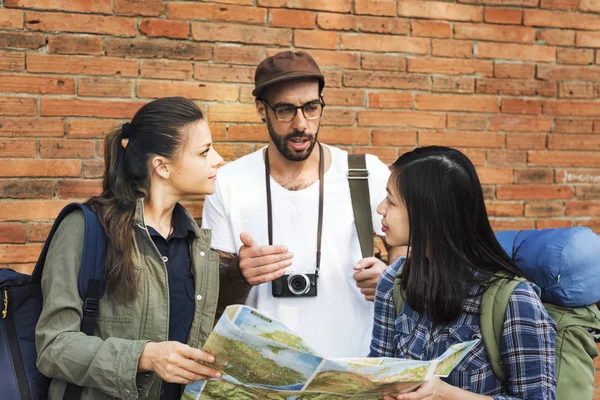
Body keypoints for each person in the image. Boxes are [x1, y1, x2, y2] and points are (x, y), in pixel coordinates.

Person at [35, 97, 250, 400]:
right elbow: (53, 347)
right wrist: (145, 356)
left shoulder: (197, 244)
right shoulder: (86, 230)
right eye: (204, 152)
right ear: (162, 166)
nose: (218, 159)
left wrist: (239, 275)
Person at [201, 50, 403, 358]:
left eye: (311, 108)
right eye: (285, 110)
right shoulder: (226, 183)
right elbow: (211, 303)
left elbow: (412, 252)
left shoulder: (363, 173)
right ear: (260, 109)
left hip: (354, 370)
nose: (301, 124)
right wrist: (238, 275)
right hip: (263, 376)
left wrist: (392, 277)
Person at [370, 146, 556, 400]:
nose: (381, 208)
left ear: (428, 212)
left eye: (391, 201)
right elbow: (378, 374)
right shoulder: (394, 281)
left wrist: (446, 395)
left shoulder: (513, 300)